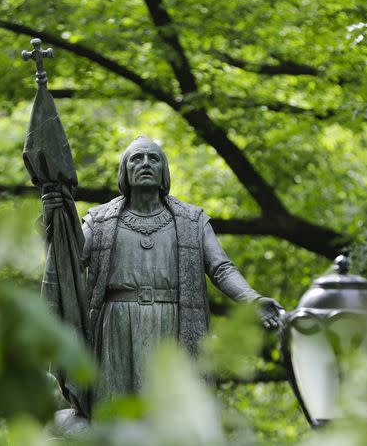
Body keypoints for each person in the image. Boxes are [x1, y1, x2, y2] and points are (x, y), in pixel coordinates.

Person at [42, 136, 283, 415]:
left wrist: (252, 300)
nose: (145, 163)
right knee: (116, 414)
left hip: (174, 323)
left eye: (153, 158)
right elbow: (66, 260)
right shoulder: (100, 220)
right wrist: (54, 218)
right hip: (115, 325)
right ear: (125, 171)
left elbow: (221, 268)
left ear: (163, 171)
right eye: (136, 158)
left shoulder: (192, 220)